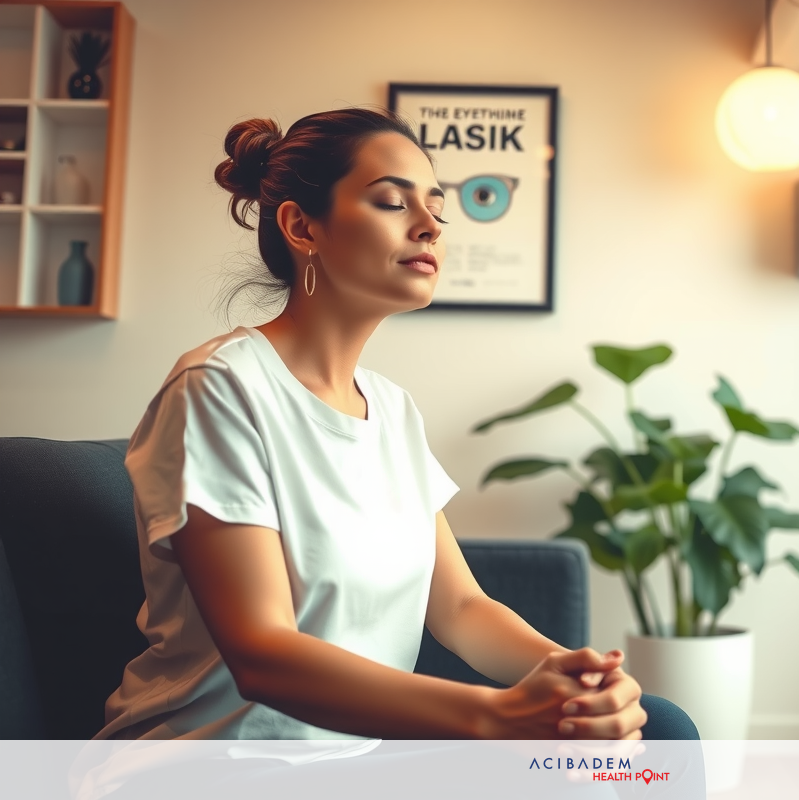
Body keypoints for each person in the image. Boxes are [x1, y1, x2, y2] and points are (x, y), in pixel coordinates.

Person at [94, 107, 700, 746]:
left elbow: (463, 609)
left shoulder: (392, 410)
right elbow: (262, 653)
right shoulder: (220, 389)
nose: (430, 226)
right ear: (302, 225)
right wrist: (493, 716)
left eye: (438, 209)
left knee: (658, 729)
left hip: (358, 759)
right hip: (220, 762)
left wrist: (575, 675)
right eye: (391, 202)